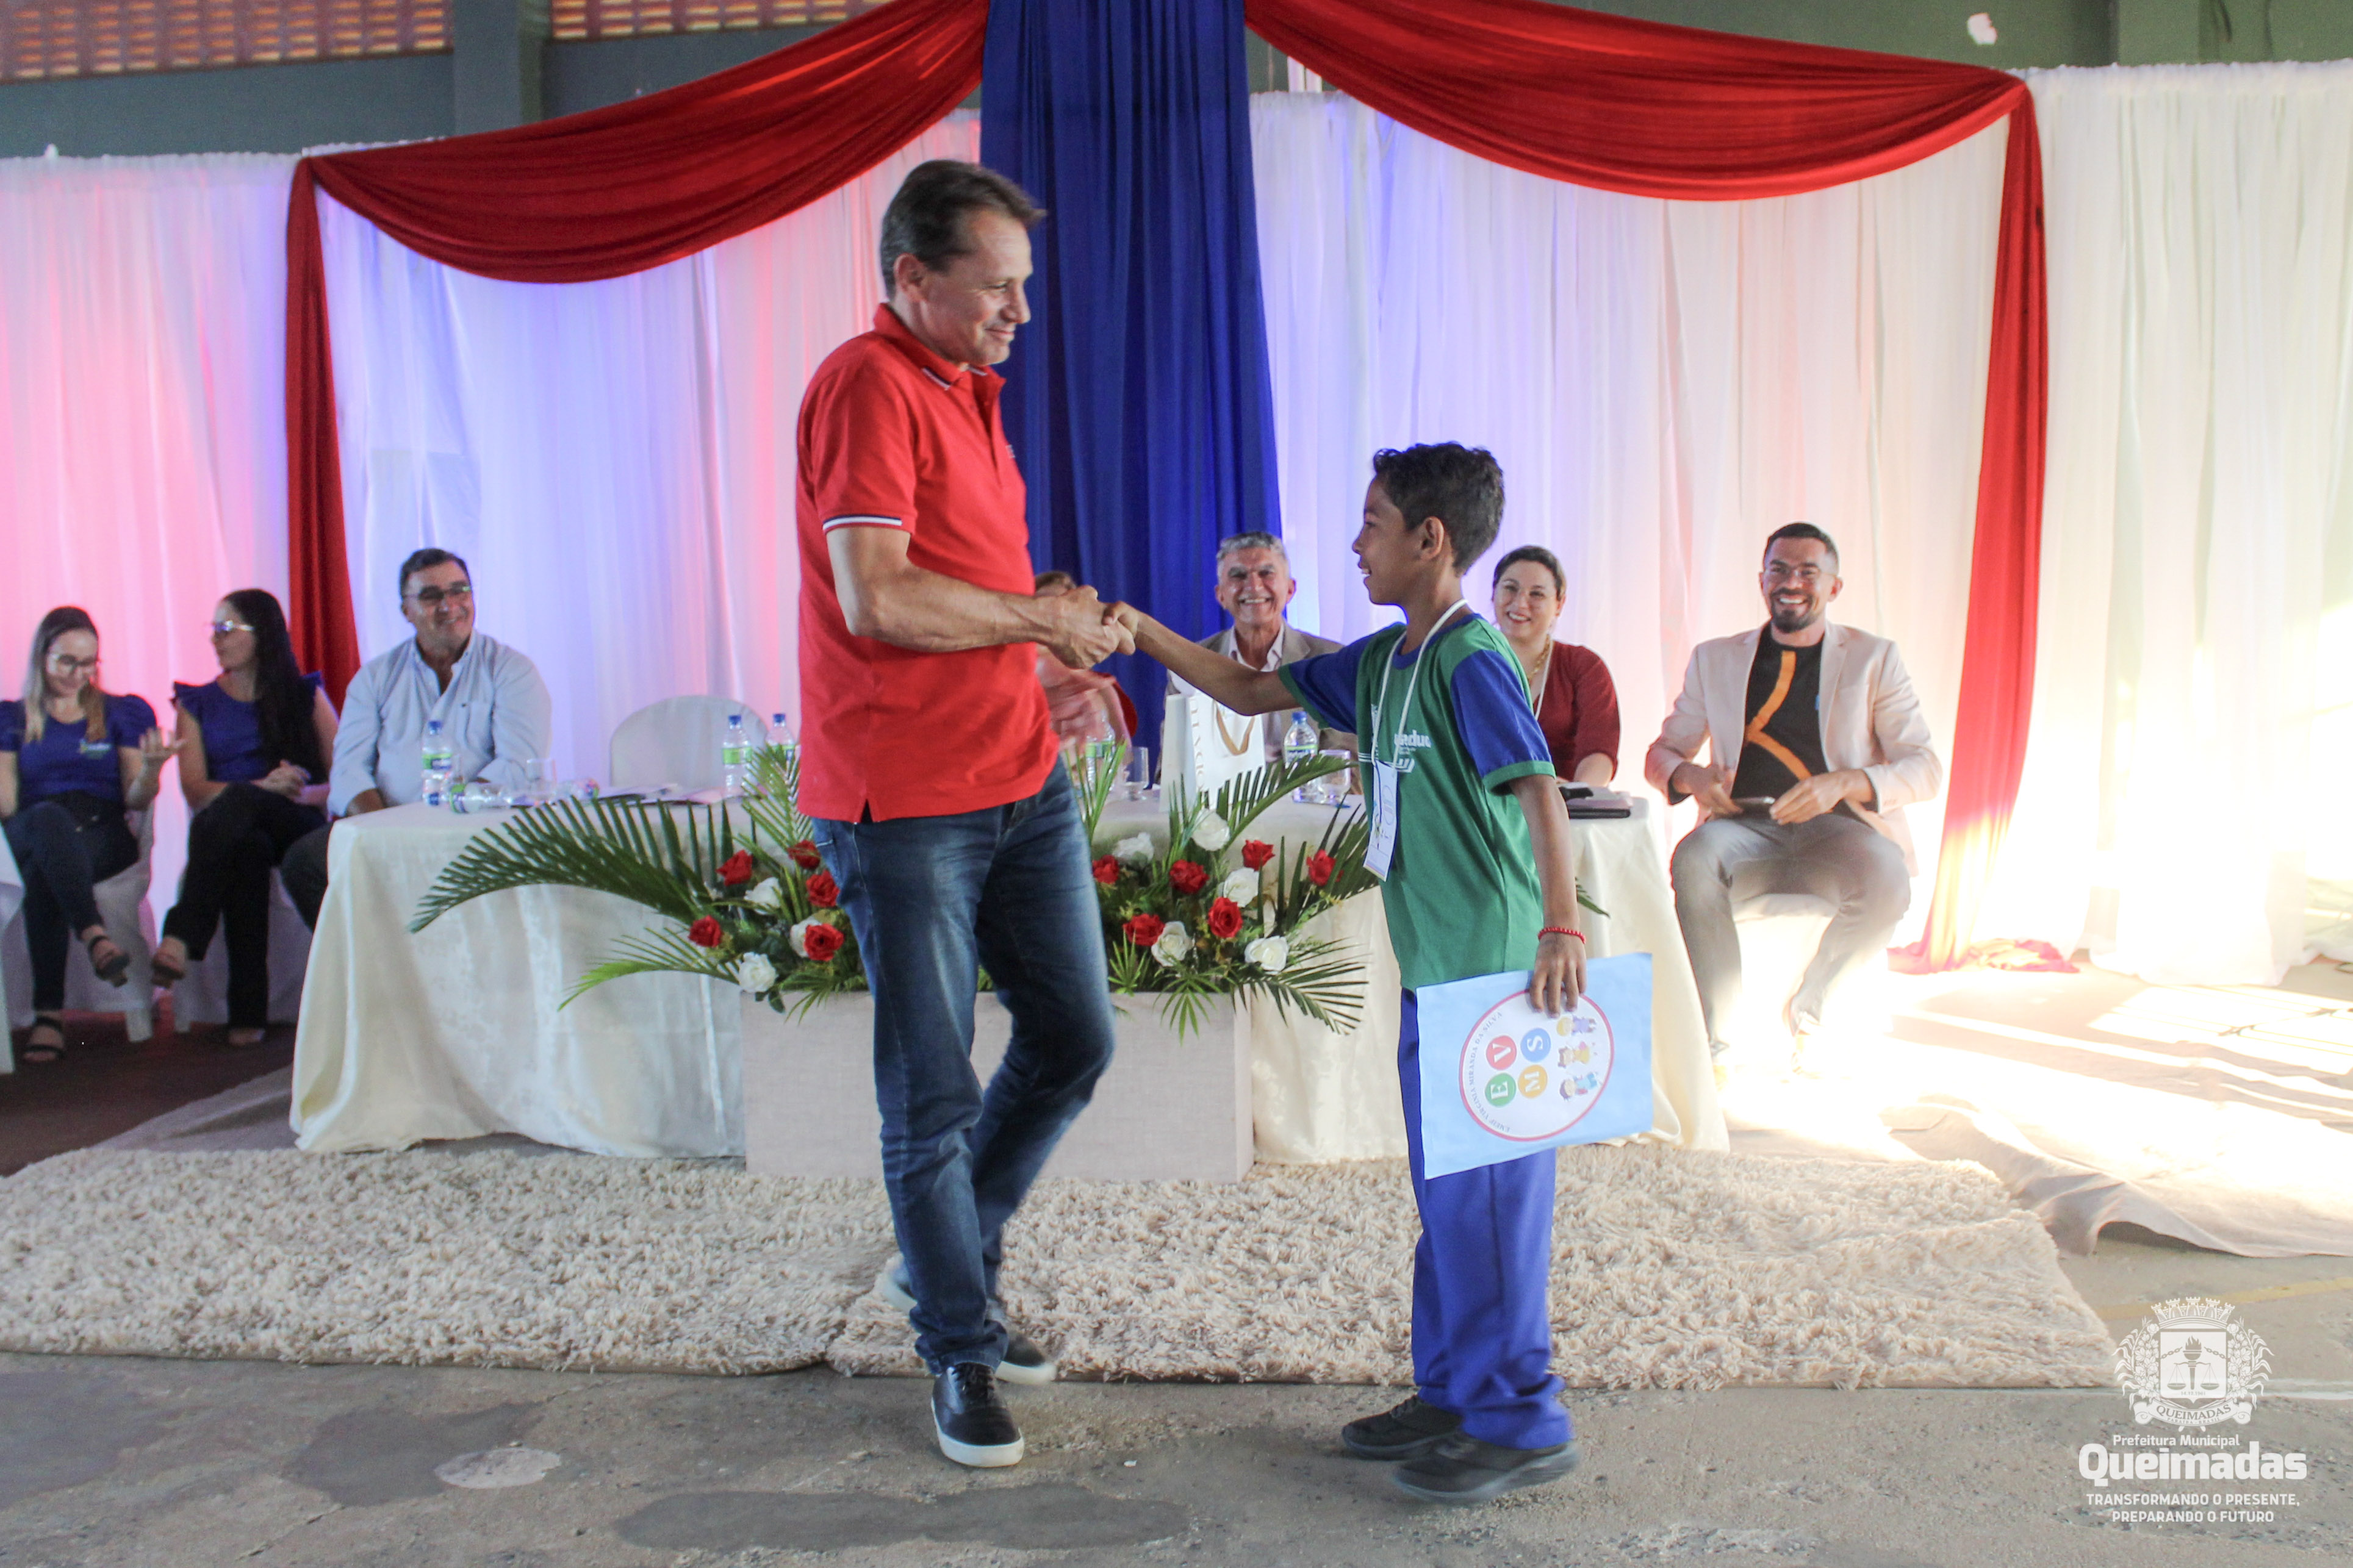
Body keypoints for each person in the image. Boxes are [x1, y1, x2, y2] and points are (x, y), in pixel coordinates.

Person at [1124, 443, 1587, 1506]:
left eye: (1372, 522)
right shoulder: (1382, 661)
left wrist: (1561, 926)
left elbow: (1539, 790)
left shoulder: (1472, 657)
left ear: (1430, 539)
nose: (1354, 542)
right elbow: (1246, 687)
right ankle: (1453, 1391)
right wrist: (1142, 630)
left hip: (1498, 976)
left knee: (1494, 1207)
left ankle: (1522, 1420)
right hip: (1434, 964)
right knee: (1445, 1199)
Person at [795, 159, 1129, 1471]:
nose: (1019, 312)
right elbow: (877, 596)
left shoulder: (965, 394)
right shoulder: (866, 384)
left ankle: (941, 1261)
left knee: (1075, 1036)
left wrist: (1040, 673)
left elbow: (961, 605)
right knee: (931, 1094)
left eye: (1023, 287)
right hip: (905, 801)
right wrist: (1039, 617)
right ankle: (956, 1341)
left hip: (1015, 777)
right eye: (995, 287)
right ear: (911, 277)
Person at [1644, 523, 1942, 1070]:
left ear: (1834, 586)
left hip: (1840, 830)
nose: (1791, 582)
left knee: (1888, 876)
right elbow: (1662, 754)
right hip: (1742, 827)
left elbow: (1924, 768)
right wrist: (1693, 778)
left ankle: (1814, 1016)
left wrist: (1844, 782)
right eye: (1779, 570)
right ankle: (1720, 1044)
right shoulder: (1715, 658)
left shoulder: (1874, 658)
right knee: (1693, 858)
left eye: (1808, 571)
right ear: (1761, 580)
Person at [279, 548, 551, 928]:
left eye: (459, 590)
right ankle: (367, 960)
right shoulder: (376, 677)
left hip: (479, 825)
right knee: (304, 861)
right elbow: (349, 770)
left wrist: (447, 823)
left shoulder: (511, 670)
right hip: (387, 824)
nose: (449, 605)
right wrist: (391, 836)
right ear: (406, 610)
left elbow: (517, 764)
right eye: (431, 596)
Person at [148, 590, 340, 1045]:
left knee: (238, 808)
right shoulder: (195, 703)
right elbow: (196, 791)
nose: (215, 639)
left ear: (262, 634)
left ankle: (182, 934)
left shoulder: (305, 695)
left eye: (226, 628)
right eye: (213, 629)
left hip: (297, 824)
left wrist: (301, 792)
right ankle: (247, 1012)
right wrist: (261, 787)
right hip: (235, 828)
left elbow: (344, 779)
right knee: (247, 844)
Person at [0, 607, 177, 1064]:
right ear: (42, 657)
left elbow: (136, 799)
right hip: (34, 826)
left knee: (46, 868)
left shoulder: (122, 712)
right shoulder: (12, 717)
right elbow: (7, 804)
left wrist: (152, 770)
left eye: (88, 664)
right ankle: (95, 934)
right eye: (67, 662)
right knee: (47, 824)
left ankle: (49, 1015)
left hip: (100, 830)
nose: (79, 674)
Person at [1165, 531, 1350, 763]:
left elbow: (1346, 766)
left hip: (1307, 788)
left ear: (1290, 589)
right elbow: (1172, 766)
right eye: (1238, 575)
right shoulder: (1190, 665)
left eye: (1266, 573)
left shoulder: (1330, 660)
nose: (1253, 586)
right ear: (1220, 596)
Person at [1489, 545, 1618, 786]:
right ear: (1493, 593)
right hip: (1481, 804)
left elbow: (1599, 753)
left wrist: (1576, 792)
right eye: (1510, 588)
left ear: (1559, 604)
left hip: (1562, 804)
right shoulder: (1469, 661)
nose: (1520, 604)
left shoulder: (1584, 666)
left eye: (1537, 594)